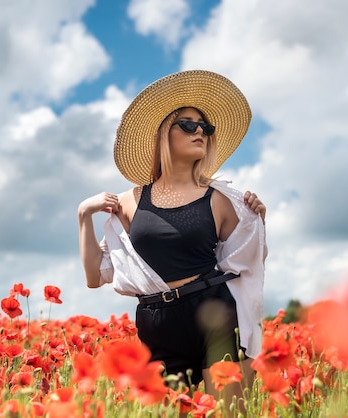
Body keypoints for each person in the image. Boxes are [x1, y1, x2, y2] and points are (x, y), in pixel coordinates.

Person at [77, 70, 267, 409]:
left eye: (205, 128)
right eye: (189, 125)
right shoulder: (129, 202)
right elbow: (95, 278)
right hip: (157, 320)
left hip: (213, 310)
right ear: (164, 134)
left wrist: (257, 216)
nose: (201, 133)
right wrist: (83, 215)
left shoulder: (222, 199)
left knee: (228, 413)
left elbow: (247, 257)